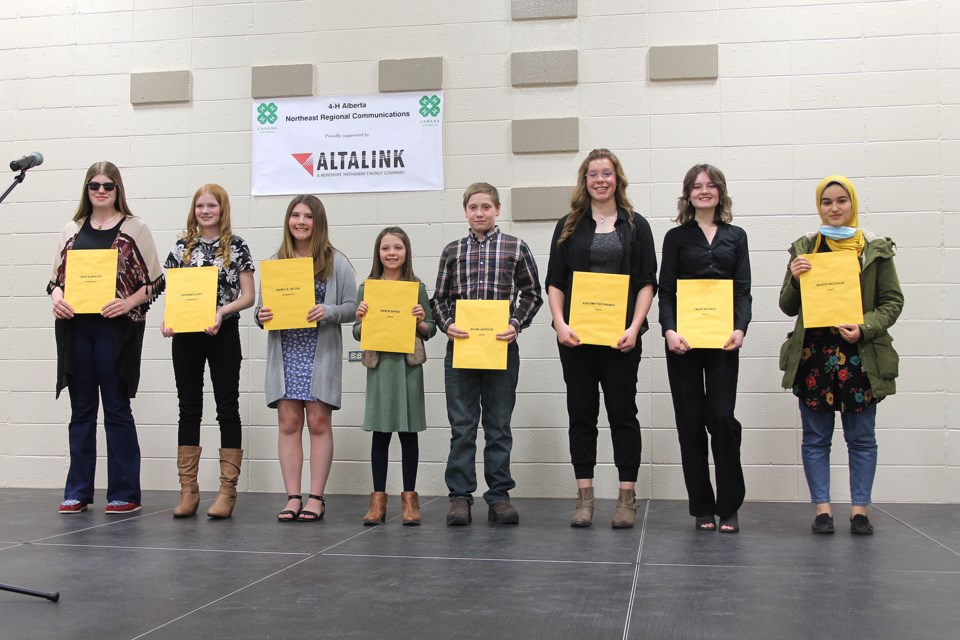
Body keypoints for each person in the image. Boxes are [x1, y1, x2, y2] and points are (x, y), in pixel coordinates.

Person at [779, 175, 903, 535]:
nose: (834, 208)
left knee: (861, 438)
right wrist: (795, 278)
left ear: (853, 204)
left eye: (841, 201)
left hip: (859, 357)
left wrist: (864, 327)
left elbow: (892, 302)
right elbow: (787, 307)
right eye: (826, 202)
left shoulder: (875, 248)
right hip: (814, 357)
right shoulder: (805, 246)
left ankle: (859, 511)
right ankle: (822, 510)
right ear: (819, 206)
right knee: (816, 439)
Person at [545, 148, 657, 529]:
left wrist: (634, 326)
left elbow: (647, 281)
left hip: (620, 340)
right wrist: (560, 323)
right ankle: (585, 498)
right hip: (576, 340)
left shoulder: (636, 225)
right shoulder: (569, 225)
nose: (600, 180)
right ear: (585, 181)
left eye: (606, 173)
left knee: (623, 415)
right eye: (593, 174)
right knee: (582, 415)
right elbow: (556, 282)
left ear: (617, 178)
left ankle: (626, 498)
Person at [48, 161, 164, 514]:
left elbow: (155, 282)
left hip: (117, 330)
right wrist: (57, 301)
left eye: (108, 186)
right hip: (77, 329)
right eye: (95, 185)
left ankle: (125, 492)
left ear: (118, 190)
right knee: (81, 410)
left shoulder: (135, 227)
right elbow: (55, 281)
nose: (101, 191)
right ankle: (78, 491)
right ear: (87, 189)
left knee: (116, 408)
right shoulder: (72, 228)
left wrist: (126, 301)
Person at [431, 182, 543, 526]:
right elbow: (439, 298)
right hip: (461, 350)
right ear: (465, 211)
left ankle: (498, 497)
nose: (479, 213)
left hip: (501, 349)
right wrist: (447, 324)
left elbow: (533, 293)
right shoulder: (452, 251)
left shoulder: (516, 247)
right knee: (462, 426)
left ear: (497, 210)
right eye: (473, 207)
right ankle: (461, 496)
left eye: (486, 207)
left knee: (498, 426)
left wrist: (515, 323)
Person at [659, 164, 752, 533]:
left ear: (720, 192)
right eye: (697, 186)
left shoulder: (736, 235)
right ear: (688, 194)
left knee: (722, 419)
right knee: (690, 422)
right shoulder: (675, 237)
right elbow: (666, 290)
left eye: (711, 185)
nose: (704, 190)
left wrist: (740, 328)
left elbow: (742, 289)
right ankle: (702, 506)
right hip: (682, 342)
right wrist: (669, 330)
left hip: (724, 341)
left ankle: (729, 505)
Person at [257, 195, 357, 523]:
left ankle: (316, 497)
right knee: (288, 424)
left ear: (318, 222)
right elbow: (261, 313)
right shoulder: (276, 261)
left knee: (317, 423)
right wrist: (262, 314)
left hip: (319, 351)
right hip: (285, 351)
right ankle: (292, 497)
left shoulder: (336, 261)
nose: (301, 221)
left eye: (308, 216)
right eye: (295, 215)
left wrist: (327, 311)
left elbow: (351, 308)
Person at [162, 184, 255, 519]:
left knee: (227, 407)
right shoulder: (181, 248)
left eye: (211, 206)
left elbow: (248, 296)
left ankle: (226, 492)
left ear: (222, 209)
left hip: (222, 331)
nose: (205, 211)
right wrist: (169, 320)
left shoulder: (237, 246)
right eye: (200, 206)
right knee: (188, 407)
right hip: (186, 334)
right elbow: (174, 292)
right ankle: (189, 490)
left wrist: (221, 312)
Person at [353, 227, 436, 526]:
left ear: (406, 252)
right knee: (381, 433)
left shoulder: (417, 287)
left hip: (408, 368)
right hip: (380, 367)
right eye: (386, 248)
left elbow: (431, 327)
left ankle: (410, 502)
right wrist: (361, 319)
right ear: (378, 252)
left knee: (408, 433)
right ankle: (378, 502)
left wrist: (419, 320)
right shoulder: (367, 287)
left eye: (397, 248)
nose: (391, 253)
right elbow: (356, 331)